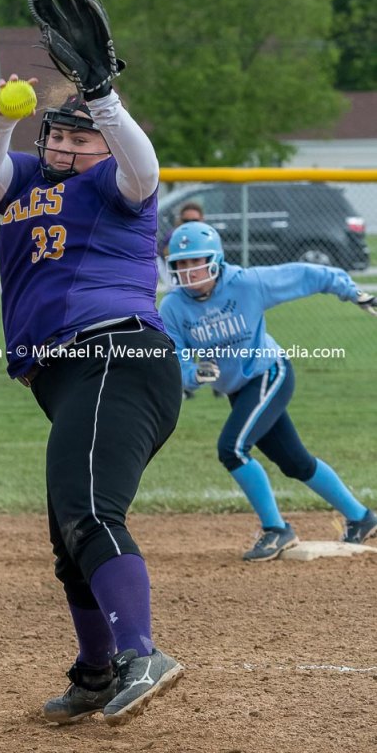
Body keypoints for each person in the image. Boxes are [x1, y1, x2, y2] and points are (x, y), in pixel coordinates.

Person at [0, 0, 183, 727]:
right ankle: (95, 673)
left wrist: (104, 99)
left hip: (115, 357)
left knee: (90, 511)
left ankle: (142, 653)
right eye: (56, 137)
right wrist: (0, 117)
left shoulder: (121, 186)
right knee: (71, 535)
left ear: (103, 145)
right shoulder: (28, 181)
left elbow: (144, 167)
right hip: (68, 377)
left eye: (79, 138)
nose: (63, 146)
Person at [159, 221, 377, 561]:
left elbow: (306, 275)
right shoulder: (173, 307)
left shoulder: (246, 284)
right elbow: (176, 357)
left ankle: (277, 529)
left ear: (216, 260)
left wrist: (350, 291)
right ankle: (361, 518)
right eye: (181, 263)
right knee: (295, 462)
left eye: (196, 261)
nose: (189, 270)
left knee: (232, 448)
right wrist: (192, 374)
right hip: (238, 389)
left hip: (269, 373)